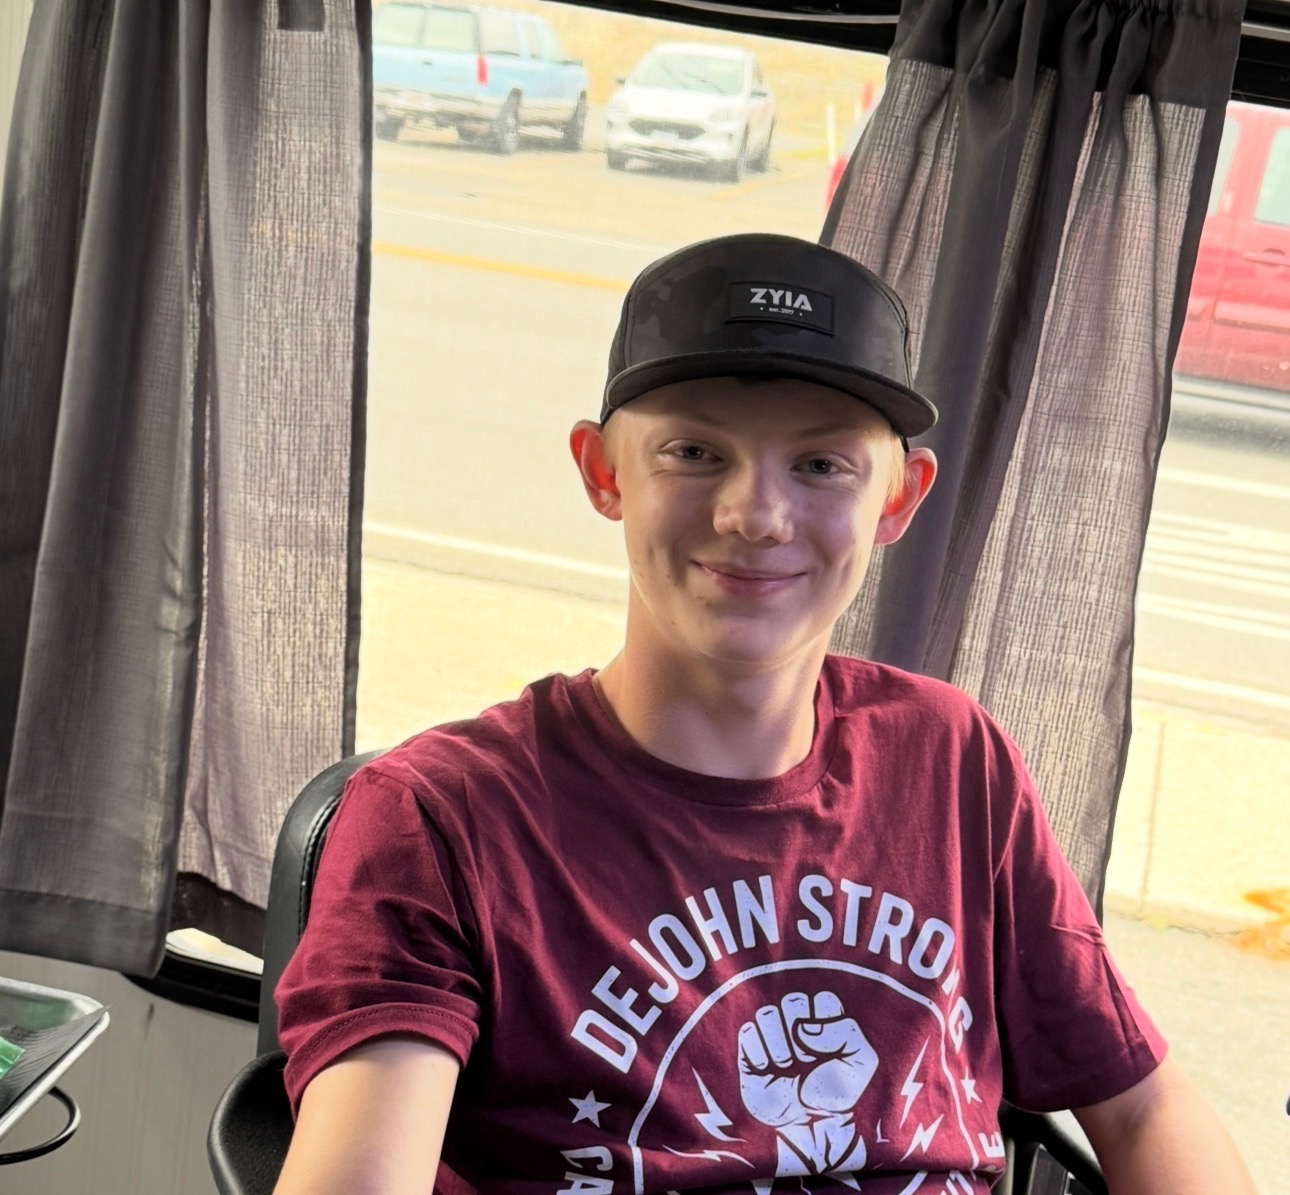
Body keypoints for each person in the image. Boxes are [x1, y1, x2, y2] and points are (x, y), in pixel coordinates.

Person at [272, 233, 1256, 1194]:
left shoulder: (955, 757)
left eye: (822, 465)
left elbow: (1145, 1107)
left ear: (898, 499)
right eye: (694, 451)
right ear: (604, 472)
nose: (755, 515)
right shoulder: (440, 819)